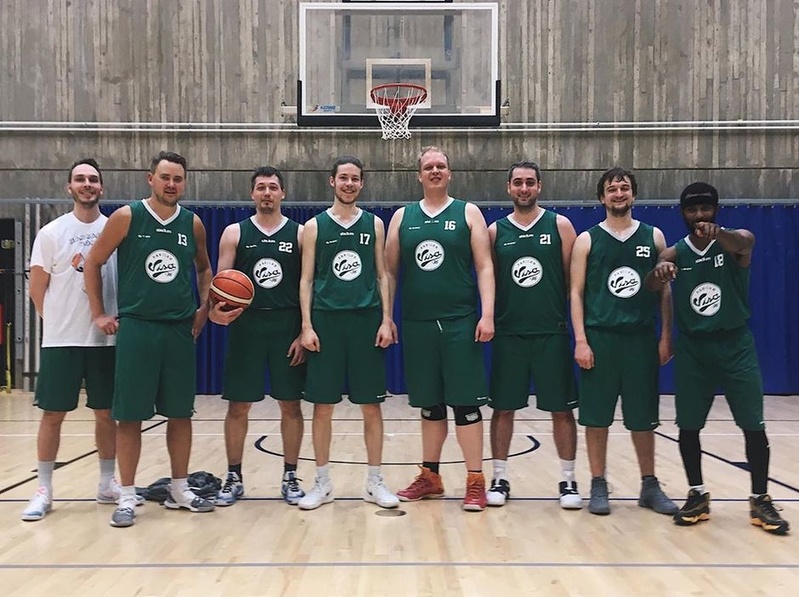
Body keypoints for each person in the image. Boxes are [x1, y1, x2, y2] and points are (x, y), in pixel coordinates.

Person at [646, 182, 790, 535]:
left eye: (705, 209)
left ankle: (760, 498)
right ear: (683, 213)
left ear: (715, 209)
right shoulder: (676, 252)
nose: (699, 215)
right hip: (694, 348)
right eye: (692, 210)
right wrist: (658, 274)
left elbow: (743, 243)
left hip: (734, 343)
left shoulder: (735, 240)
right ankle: (697, 494)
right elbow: (651, 283)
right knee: (688, 425)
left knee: (753, 424)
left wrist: (719, 233)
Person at [84, 151, 214, 527]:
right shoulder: (127, 217)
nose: (171, 184)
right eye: (165, 177)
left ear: (184, 183)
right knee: (130, 416)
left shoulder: (192, 224)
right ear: (150, 178)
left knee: (180, 414)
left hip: (178, 330)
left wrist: (203, 309)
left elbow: (204, 269)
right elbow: (93, 262)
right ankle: (127, 495)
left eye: (178, 179)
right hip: (138, 328)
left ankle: (180, 488)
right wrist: (99, 313)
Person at [21, 158, 139, 521]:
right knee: (52, 414)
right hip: (62, 340)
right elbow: (37, 288)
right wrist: (58, 322)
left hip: (106, 340)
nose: (87, 184)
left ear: (101, 188)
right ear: (69, 187)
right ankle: (43, 489)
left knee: (106, 414)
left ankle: (106, 483)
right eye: (80, 179)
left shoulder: (116, 229)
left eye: (93, 179)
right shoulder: (51, 233)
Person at [385, 146, 494, 512]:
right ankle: (430, 476)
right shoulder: (403, 216)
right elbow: (389, 271)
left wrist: (487, 314)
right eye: (429, 166)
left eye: (441, 166)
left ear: (450, 173)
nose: (435, 171)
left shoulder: (468, 212)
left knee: (466, 405)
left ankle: (475, 480)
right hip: (418, 325)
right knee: (430, 406)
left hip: (460, 322)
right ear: (419, 175)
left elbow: (484, 266)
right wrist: (387, 316)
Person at [570, 167, 677, 516]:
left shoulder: (654, 237)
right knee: (596, 418)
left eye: (624, 188)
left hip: (640, 340)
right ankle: (598, 483)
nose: (619, 193)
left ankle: (649, 484)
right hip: (601, 338)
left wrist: (665, 336)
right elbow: (576, 293)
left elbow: (664, 292)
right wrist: (581, 340)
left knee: (643, 418)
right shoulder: (587, 240)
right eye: (612, 189)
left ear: (634, 194)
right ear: (602, 197)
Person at [297, 156, 398, 511]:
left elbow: (382, 275)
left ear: (362, 183)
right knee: (323, 406)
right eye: (343, 178)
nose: (349, 184)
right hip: (326, 322)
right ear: (332, 181)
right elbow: (306, 280)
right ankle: (322, 482)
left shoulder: (374, 224)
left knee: (371, 406)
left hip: (366, 321)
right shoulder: (314, 226)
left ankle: (374, 481)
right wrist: (306, 325)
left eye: (355, 178)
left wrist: (386, 319)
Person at [208, 166, 307, 507]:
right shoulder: (235, 233)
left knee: (290, 405)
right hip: (246, 326)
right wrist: (216, 311)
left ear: (283, 193)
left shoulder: (300, 234)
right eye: (261, 187)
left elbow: (307, 285)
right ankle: (233, 476)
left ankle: (290, 476)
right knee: (238, 405)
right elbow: (220, 284)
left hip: (286, 326)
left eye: (273, 187)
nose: (267, 193)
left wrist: (304, 331)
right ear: (252, 194)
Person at [486, 160, 581, 509]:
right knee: (502, 409)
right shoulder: (495, 231)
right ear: (508, 188)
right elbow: (490, 280)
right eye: (518, 183)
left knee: (562, 411)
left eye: (530, 182)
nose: (524, 188)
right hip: (510, 333)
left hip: (550, 333)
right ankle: (499, 477)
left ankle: (568, 480)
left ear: (539, 186)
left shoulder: (560, 226)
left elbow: (573, 283)